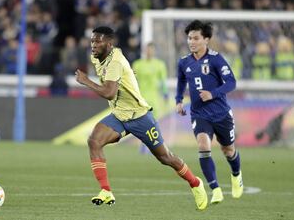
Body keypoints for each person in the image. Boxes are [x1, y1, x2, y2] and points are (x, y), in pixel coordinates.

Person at [75, 26, 208, 210]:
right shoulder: (98, 58)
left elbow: (109, 92)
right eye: (92, 41)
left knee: (165, 158)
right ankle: (106, 191)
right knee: (94, 141)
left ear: (109, 43)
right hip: (120, 115)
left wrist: (86, 81)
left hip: (140, 116)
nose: (93, 45)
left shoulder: (116, 62)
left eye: (98, 41)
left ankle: (195, 183)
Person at [175, 20, 243, 204]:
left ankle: (236, 175)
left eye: (196, 38)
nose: (191, 42)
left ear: (206, 39)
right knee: (203, 146)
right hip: (199, 114)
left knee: (228, 150)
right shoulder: (183, 62)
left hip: (221, 113)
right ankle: (215, 189)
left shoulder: (216, 59)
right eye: (189, 38)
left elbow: (231, 82)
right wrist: (179, 100)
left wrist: (212, 93)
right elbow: (181, 81)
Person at [132, 42, 168, 153]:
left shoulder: (160, 65)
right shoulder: (137, 64)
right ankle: (145, 144)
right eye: (147, 49)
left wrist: (165, 93)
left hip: (154, 99)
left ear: (154, 51)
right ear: (144, 50)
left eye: (151, 49)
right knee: (142, 123)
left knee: (153, 123)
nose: (149, 52)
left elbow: (163, 81)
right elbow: (132, 81)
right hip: (141, 98)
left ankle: (154, 145)